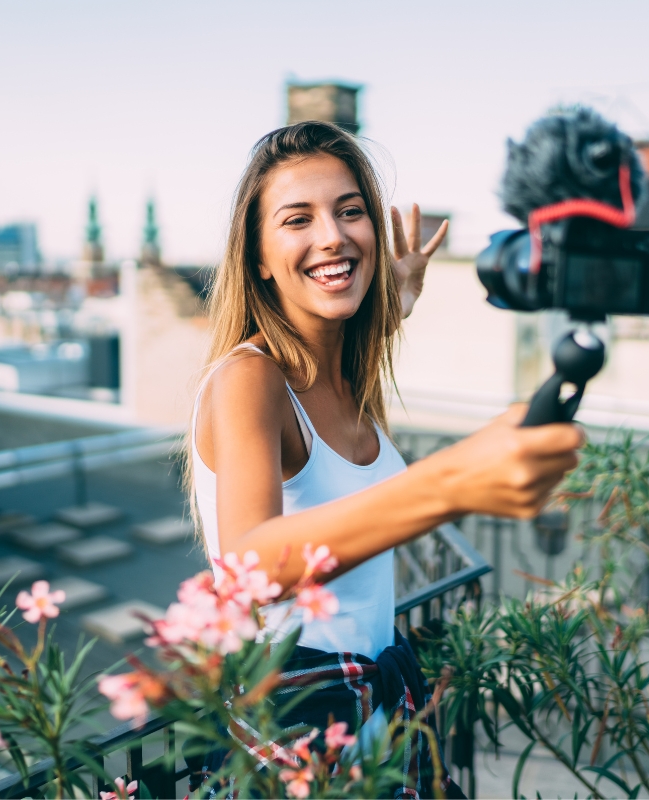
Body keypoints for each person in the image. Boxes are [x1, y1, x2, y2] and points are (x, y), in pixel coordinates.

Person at [188, 121, 582, 797]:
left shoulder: (344, 367)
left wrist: (396, 295)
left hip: (374, 708)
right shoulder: (248, 379)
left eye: (350, 212)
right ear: (256, 256)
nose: (333, 236)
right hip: (298, 722)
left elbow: (352, 318)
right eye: (297, 220)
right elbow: (247, 563)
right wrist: (449, 482)